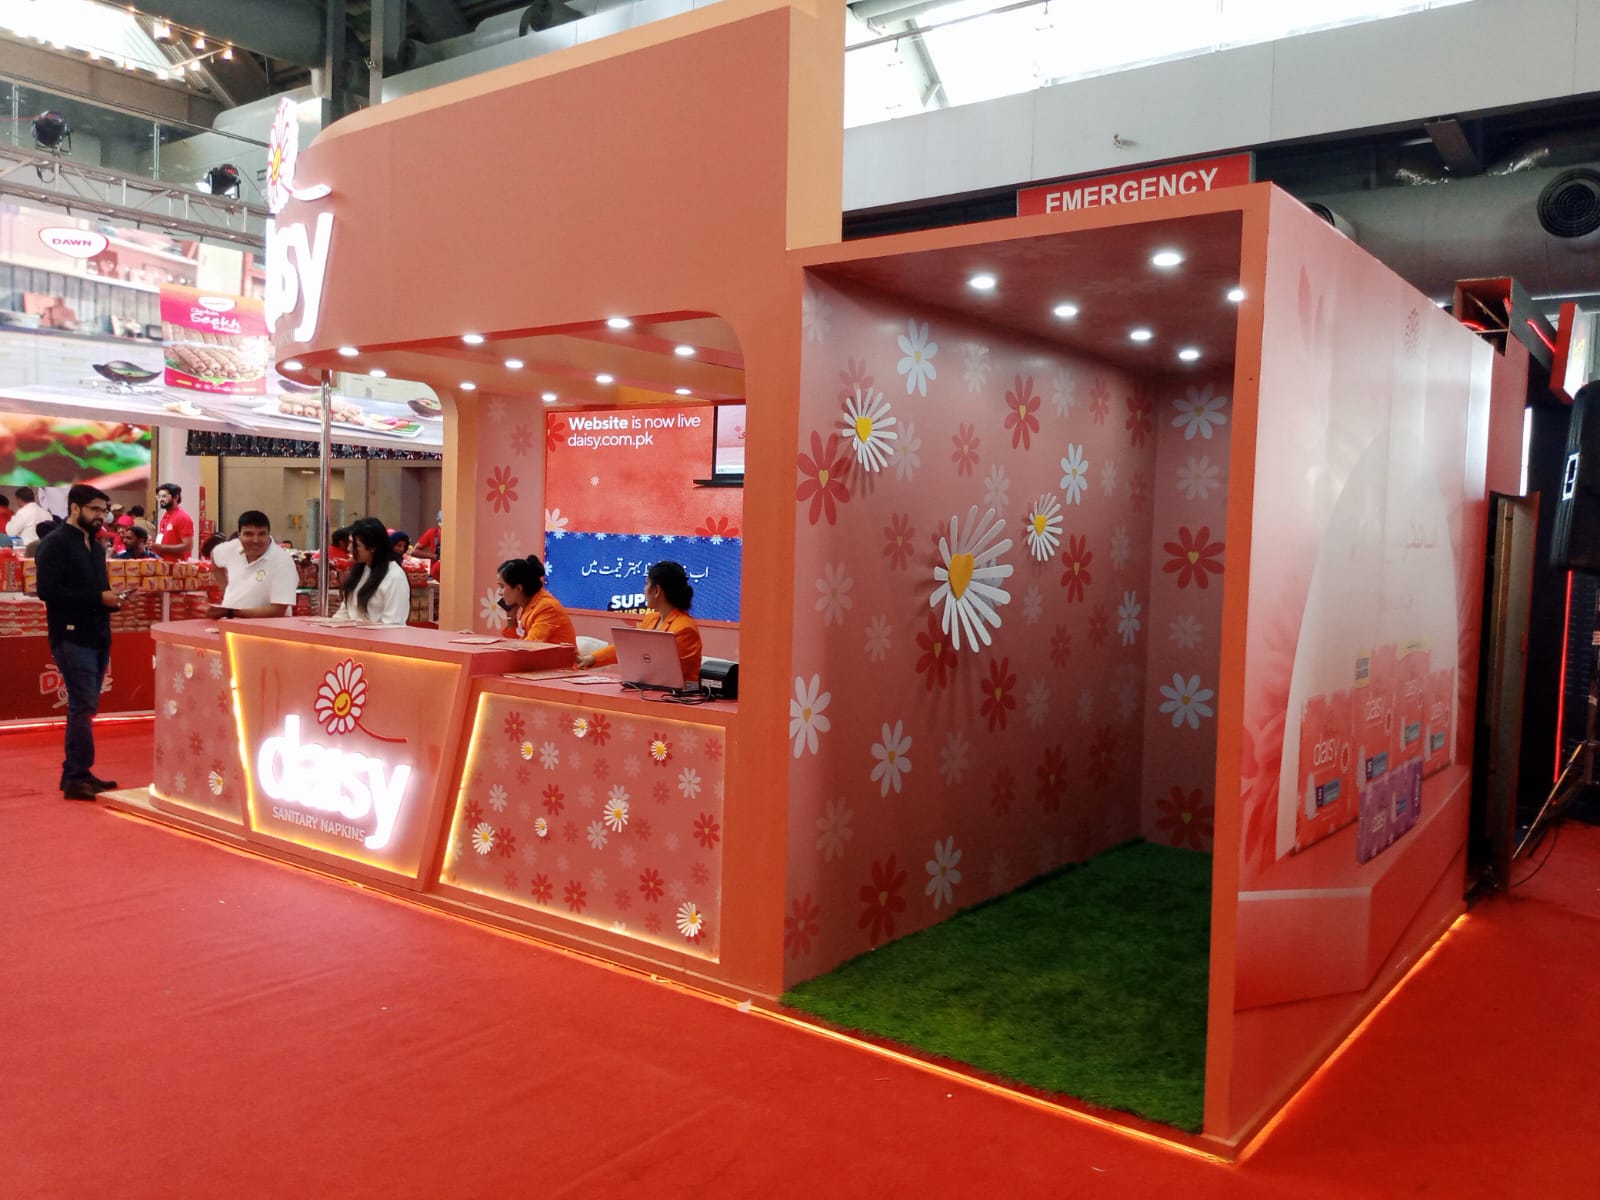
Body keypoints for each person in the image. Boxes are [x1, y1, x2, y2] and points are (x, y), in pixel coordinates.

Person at [34, 484, 126, 800]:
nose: (101, 516)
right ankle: (75, 775)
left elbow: (99, 590)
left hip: (98, 633)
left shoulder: (96, 547)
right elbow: (48, 591)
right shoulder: (56, 543)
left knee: (86, 705)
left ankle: (78, 772)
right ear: (75, 508)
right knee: (83, 705)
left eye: (104, 510)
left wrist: (113, 601)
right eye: (95, 509)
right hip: (70, 635)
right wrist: (98, 598)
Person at [578, 560, 702, 684]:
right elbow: (628, 647)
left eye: (646, 584)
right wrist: (592, 658)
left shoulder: (685, 629)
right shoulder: (651, 619)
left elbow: (667, 672)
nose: (644, 590)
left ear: (657, 591)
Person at [209, 510, 297, 619]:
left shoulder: (282, 561)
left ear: (268, 534)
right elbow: (214, 555)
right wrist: (224, 589)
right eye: (248, 534)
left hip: (265, 628)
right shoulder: (232, 548)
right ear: (239, 535)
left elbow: (277, 611)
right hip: (229, 624)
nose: (255, 540)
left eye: (261, 534)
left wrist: (231, 612)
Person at [331, 516, 410, 625]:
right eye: (349, 543)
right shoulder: (360, 570)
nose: (349, 549)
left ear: (372, 547)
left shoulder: (395, 576)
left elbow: (393, 623)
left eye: (355, 545)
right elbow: (346, 610)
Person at [497, 555, 576, 658]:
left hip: (560, 667)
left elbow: (528, 649)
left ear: (519, 588)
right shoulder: (529, 604)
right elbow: (517, 644)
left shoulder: (547, 607)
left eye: (502, 587)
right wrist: (511, 617)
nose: (499, 593)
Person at [152, 482, 194, 561]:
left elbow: (188, 546)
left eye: (164, 496)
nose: (161, 499)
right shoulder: (165, 516)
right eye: (159, 496)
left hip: (178, 565)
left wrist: (160, 547)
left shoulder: (182, 517)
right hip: (164, 563)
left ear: (176, 497)